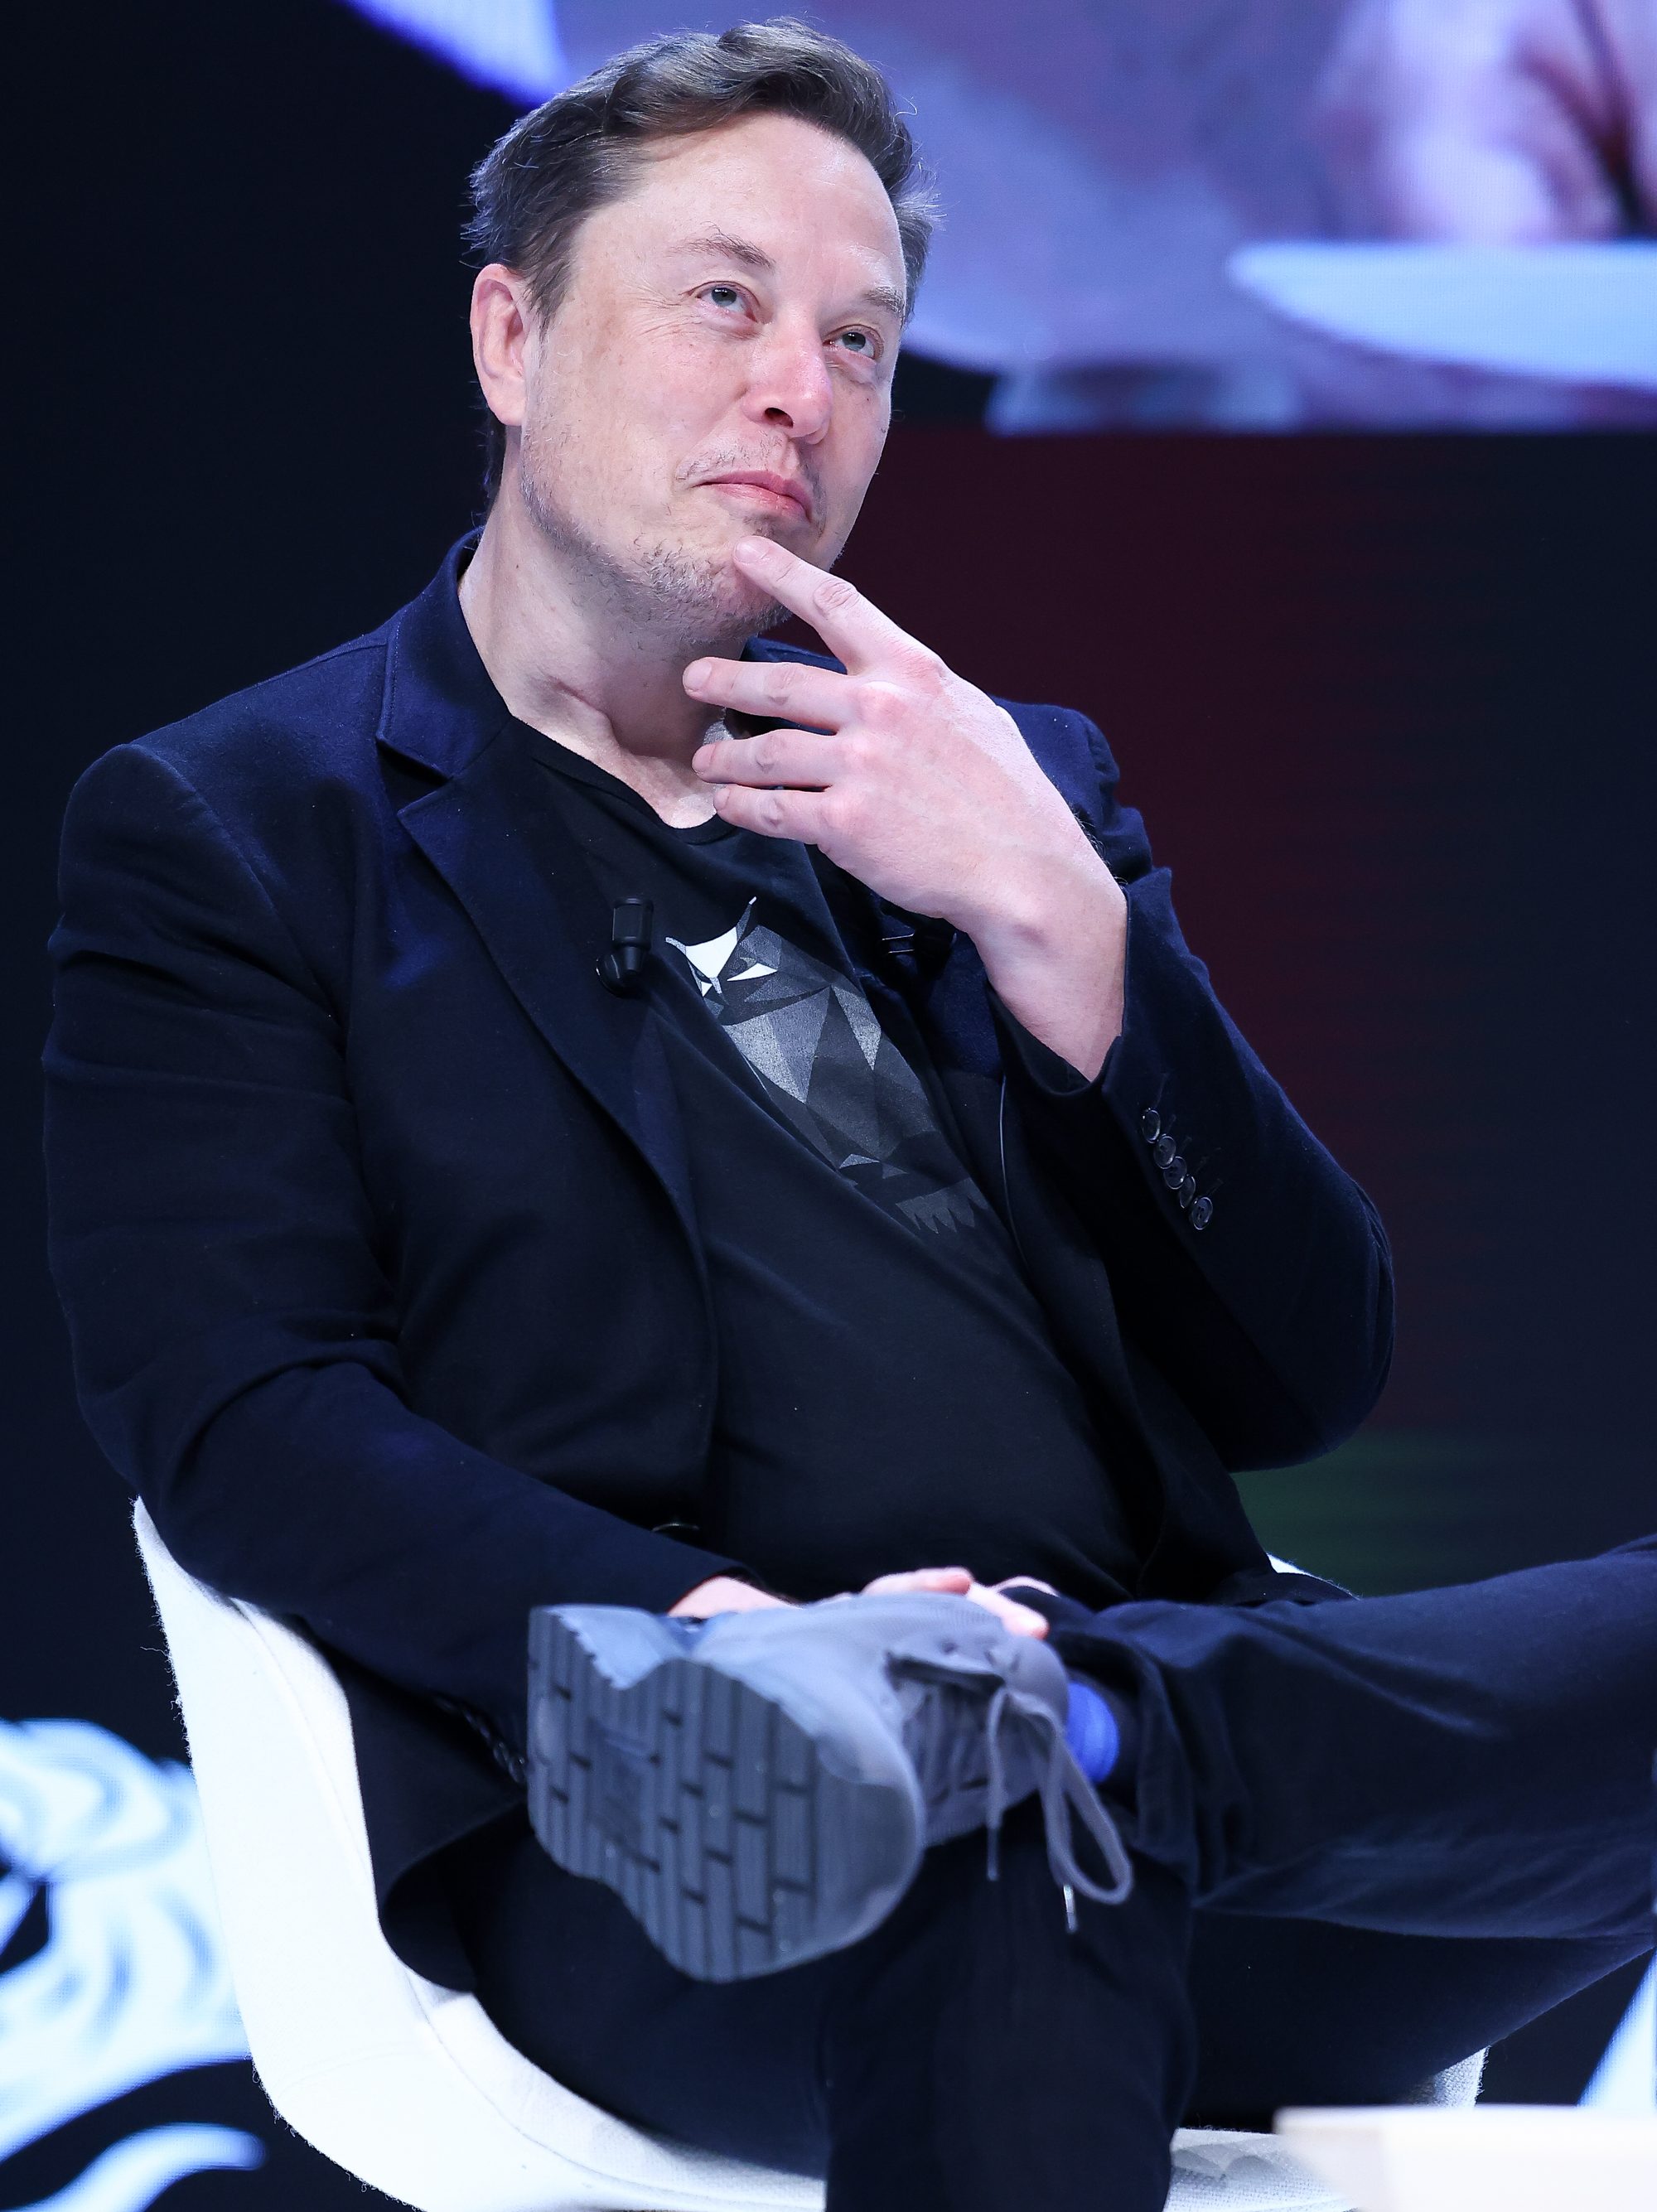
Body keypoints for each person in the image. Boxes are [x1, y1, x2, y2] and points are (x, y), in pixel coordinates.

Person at [43, 22, 1655, 2212]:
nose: (803, 386)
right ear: (513, 336)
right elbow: (232, 1410)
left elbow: (1305, 1367)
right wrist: (728, 1650)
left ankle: (1083, 1721)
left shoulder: (1008, 783)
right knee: (967, 1850)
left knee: (1033, 1784)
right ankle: (1002, 1742)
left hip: (1212, 1784)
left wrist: (1068, 930)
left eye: (868, 339)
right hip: (655, 1842)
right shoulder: (241, 832)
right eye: (727, 302)